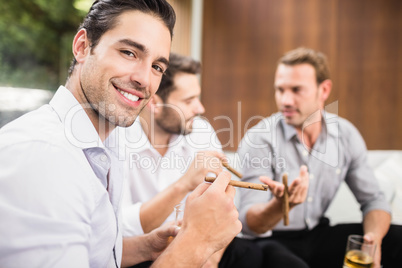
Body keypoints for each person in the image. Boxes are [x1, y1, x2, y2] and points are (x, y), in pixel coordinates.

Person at [0, 1, 241, 267]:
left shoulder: (106, 142)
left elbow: (93, 254)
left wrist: (145, 246)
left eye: (157, 67)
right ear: (82, 47)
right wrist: (196, 242)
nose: (145, 80)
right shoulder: (44, 157)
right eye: (128, 52)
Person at [236, 47, 402, 268]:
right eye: (280, 90)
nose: (285, 100)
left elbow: (373, 200)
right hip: (271, 240)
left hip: (317, 234)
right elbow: (248, 223)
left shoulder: (345, 135)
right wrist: (279, 206)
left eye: (296, 90)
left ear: (323, 90)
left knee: (397, 239)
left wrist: (373, 241)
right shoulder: (260, 138)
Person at [117, 52, 262, 268]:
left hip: (209, 247)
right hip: (146, 253)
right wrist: (183, 184)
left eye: (198, 97)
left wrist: (210, 259)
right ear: (155, 104)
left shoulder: (200, 131)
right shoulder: (118, 142)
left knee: (272, 257)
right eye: (188, 100)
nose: (200, 109)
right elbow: (123, 229)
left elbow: (226, 210)